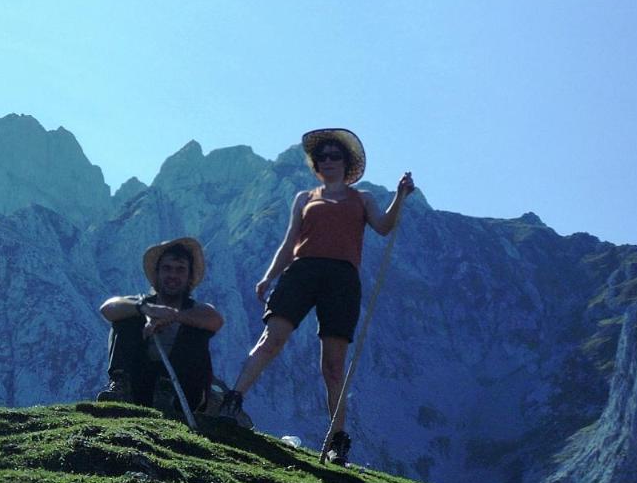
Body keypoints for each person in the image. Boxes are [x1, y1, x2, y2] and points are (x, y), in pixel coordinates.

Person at [219, 128, 416, 465]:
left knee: (333, 364)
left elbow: (384, 226)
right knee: (273, 337)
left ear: (346, 162)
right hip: (302, 270)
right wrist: (269, 276)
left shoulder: (363, 199)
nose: (327, 161)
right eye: (321, 156)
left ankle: (338, 439)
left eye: (334, 156)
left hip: (341, 278)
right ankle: (232, 401)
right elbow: (289, 241)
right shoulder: (304, 198)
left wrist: (399, 196)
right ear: (316, 164)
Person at [97, 237, 224, 413]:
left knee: (197, 331)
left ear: (189, 277)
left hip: (182, 393)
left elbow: (216, 321)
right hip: (141, 381)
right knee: (127, 318)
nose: (173, 275)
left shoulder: (197, 311)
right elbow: (107, 308)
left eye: (180, 270)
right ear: (157, 274)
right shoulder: (143, 305)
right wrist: (146, 309)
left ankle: (169, 393)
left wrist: (175, 316)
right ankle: (121, 385)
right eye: (167, 269)